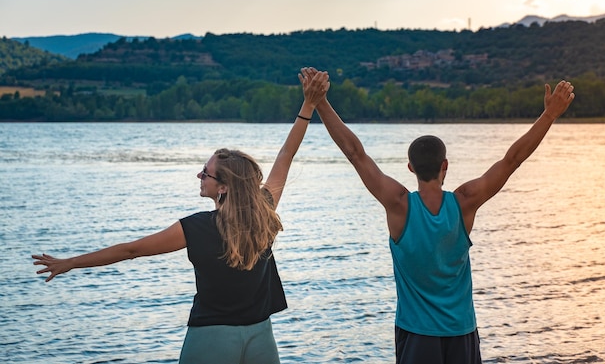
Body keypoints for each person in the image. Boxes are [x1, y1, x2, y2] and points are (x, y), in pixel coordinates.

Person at [32, 70, 331, 364]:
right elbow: (286, 155)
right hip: (261, 338)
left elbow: (131, 250)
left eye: (206, 173)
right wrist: (308, 104)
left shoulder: (197, 228)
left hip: (211, 339)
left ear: (224, 187)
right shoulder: (264, 214)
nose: (199, 175)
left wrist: (71, 262)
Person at [299, 68, 575, 364]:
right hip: (461, 333)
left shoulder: (398, 204)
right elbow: (512, 160)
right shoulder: (465, 202)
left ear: (410, 168)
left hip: (417, 335)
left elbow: (355, 154)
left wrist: (320, 102)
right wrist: (549, 116)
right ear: (445, 165)